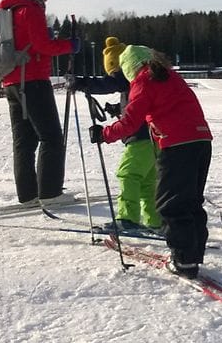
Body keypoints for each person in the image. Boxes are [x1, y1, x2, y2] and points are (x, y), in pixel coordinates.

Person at [89, 45, 212, 279]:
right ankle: (192, 254)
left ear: (129, 68)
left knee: (171, 204)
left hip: (176, 143)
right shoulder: (169, 76)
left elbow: (131, 122)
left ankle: (184, 261)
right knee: (191, 201)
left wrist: (104, 134)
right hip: (201, 140)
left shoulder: (144, 81)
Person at [0, 0, 80, 205]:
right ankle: (50, 193)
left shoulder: (9, 11)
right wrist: (69, 46)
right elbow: (42, 45)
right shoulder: (30, 10)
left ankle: (28, 194)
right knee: (51, 137)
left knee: (24, 141)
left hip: (12, 81)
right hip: (32, 79)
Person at [68, 37, 161, 235]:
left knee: (128, 174)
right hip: (154, 140)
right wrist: (118, 108)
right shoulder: (140, 81)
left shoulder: (128, 75)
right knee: (147, 182)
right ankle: (155, 221)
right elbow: (134, 104)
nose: (114, 75)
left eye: (113, 71)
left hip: (140, 139)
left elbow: (108, 84)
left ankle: (128, 219)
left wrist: (83, 83)